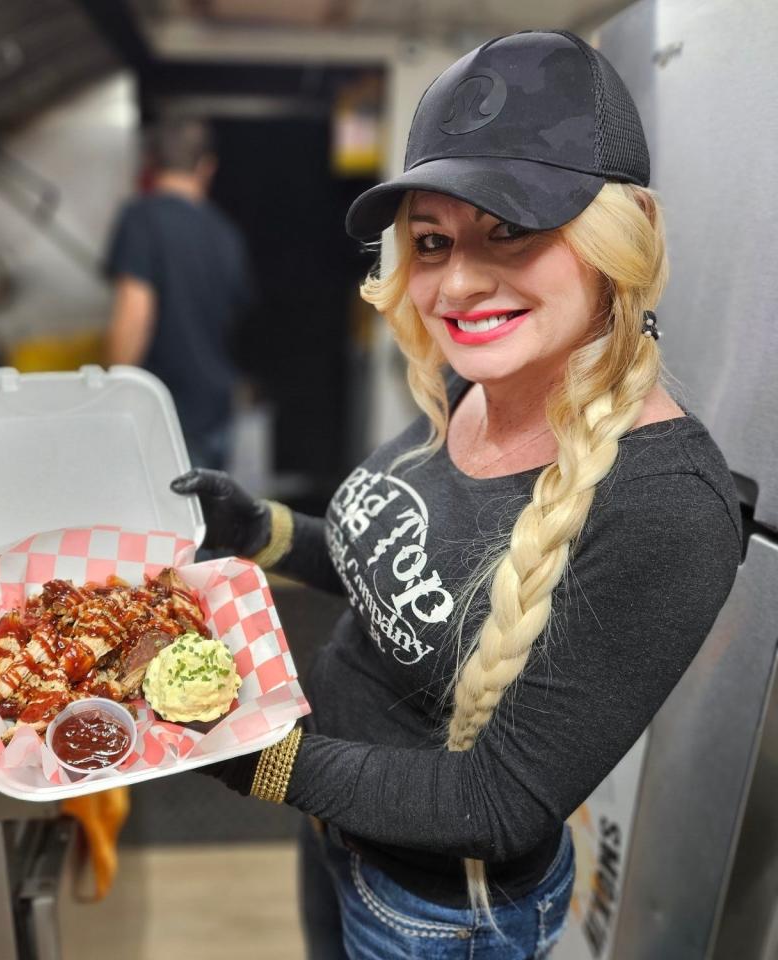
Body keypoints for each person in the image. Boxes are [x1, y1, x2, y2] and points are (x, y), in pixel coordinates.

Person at [170, 30, 741, 959]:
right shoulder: (476, 382)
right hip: (338, 823)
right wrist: (263, 530)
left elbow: (499, 801)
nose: (459, 282)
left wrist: (262, 760)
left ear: (616, 239)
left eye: (508, 230)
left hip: (435, 912)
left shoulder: (668, 507)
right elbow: (398, 574)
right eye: (431, 241)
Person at [104, 117, 253, 469]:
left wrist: (108, 397)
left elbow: (134, 311)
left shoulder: (141, 218)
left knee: (158, 524)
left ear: (152, 163)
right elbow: (236, 318)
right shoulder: (226, 234)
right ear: (206, 167)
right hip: (217, 412)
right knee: (211, 521)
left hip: (162, 418)